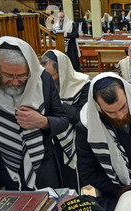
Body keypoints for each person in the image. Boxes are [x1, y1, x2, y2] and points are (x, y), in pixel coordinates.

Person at [0, 36, 69, 191]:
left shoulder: (42, 79)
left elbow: (63, 120)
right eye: (7, 75)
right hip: (1, 174)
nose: (15, 82)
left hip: (44, 170)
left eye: (22, 76)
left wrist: (42, 121)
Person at [75, 73, 131, 198]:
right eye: (111, 112)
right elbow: (88, 172)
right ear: (97, 105)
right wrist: (126, 190)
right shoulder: (86, 126)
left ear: (127, 94)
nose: (120, 115)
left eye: (123, 107)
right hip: (112, 193)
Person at [41, 50, 91, 190]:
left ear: (62, 72)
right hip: (49, 142)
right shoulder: (43, 83)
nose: (49, 80)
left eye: (52, 76)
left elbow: (79, 117)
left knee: (72, 186)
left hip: (74, 142)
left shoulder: (83, 85)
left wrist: (58, 103)